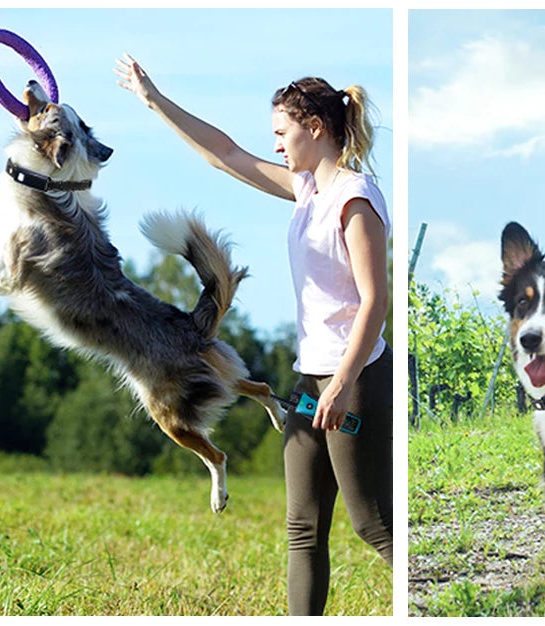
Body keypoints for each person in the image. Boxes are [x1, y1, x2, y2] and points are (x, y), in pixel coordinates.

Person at [115, 54, 392, 615]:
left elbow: (374, 302)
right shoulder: (308, 189)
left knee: (372, 523)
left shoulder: (354, 198)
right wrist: (155, 100)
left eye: (282, 133)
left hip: (354, 376)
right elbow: (225, 154)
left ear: (315, 129)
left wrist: (339, 385)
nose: (276, 146)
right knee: (302, 527)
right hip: (313, 375)